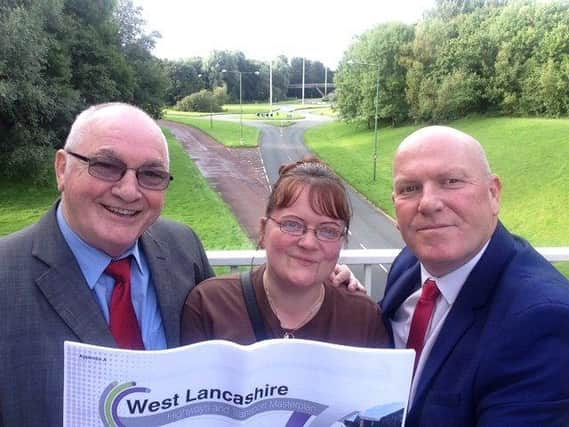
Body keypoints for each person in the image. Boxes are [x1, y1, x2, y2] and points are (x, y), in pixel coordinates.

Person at [0, 103, 356, 426]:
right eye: (107, 166)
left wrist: (318, 281)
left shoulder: (181, 247)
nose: (128, 190)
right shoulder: (6, 277)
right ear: (62, 168)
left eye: (151, 174)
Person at [380, 125, 569, 426]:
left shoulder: (543, 320)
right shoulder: (410, 263)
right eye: (410, 188)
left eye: (451, 181)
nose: (428, 203)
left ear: (493, 194)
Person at [182, 158, 389, 347]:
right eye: (292, 224)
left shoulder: (363, 318)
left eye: (328, 231)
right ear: (263, 231)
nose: (308, 243)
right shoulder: (210, 305)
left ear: (341, 242)